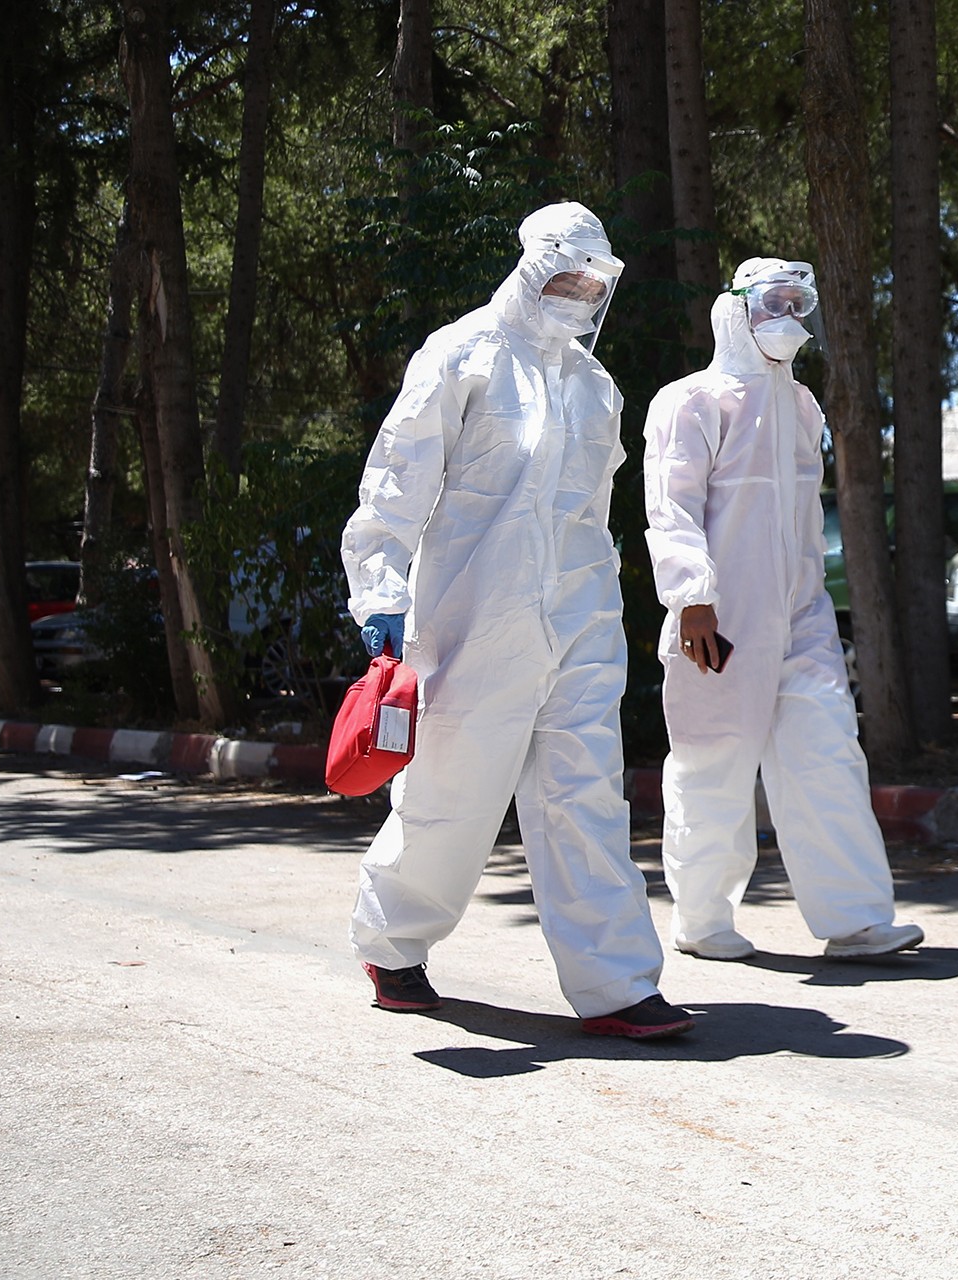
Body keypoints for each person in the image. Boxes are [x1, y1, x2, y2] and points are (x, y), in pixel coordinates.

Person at [339, 201, 693, 1038]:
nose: (578, 292)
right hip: (471, 614)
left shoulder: (593, 384)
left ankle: (616, 986)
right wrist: (381, 593)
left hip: (578, 619)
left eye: (593, 281)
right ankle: (393, 946)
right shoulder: (460, 355)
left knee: (588, 797)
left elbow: (589, 513)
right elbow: (395, 484)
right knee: (451, 793)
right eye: (566, 274)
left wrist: (603, 611)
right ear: (533, 265)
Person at [640, 257, 926, 962]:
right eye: (775, 302)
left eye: (802, 303)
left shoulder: (802, 405)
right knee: (714, 767)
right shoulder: (691, 401)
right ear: (736, 309)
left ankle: (856, 920)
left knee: (826, 749)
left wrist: (812, 602)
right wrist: (691, 599)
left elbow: (800, 519)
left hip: (801, 614)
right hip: (718, 618)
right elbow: (670, 507)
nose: (790, 318)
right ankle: (703, 921)